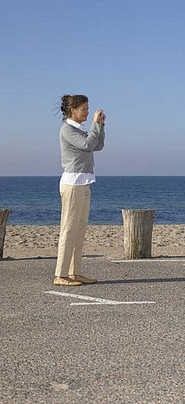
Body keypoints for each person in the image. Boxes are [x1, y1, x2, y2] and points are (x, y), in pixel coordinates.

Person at [54, 94, 106, 286]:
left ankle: (74, 272)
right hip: (72, 183)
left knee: (79, 229)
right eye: (83, 109)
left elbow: (98, 146)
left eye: (87, 109)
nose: (86, 112)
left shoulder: (80, 129)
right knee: (69, 229)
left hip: (84, 182)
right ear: (72, 110)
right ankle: (61, 274)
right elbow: (87, 144)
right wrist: (94, 125)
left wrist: (100, 125)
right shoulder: (67, 129)